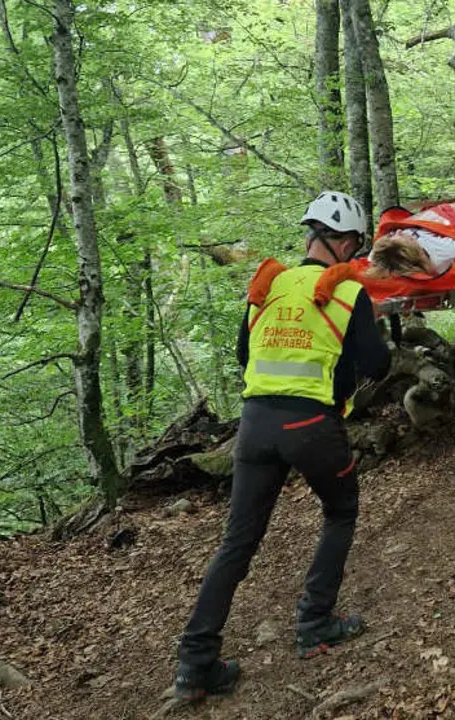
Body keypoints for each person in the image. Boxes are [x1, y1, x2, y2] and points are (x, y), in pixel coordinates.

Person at [172, 191, 391, 701]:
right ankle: (315, 623)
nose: (356, 255)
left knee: (237, 543)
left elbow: (245, 355)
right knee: (340, 511)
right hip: (311, 425)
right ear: (338, 241)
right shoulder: (349, 292)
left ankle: (194, 662)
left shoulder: (266, 287)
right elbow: (377, 364)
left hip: (253, 426)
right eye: (354, 244)